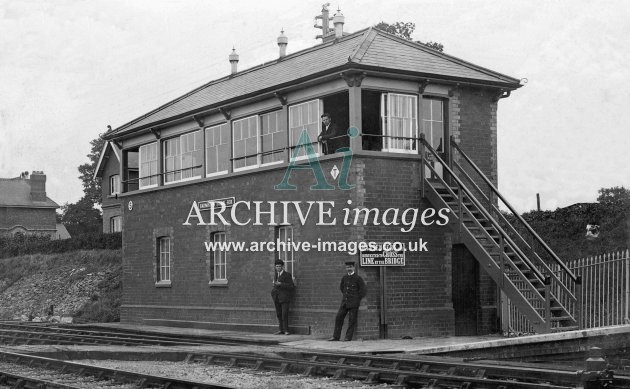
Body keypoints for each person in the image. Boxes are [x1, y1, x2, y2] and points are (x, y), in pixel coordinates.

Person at [328, 261, 367, 341]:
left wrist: (356, 299)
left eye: (350, 267)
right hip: (344, 303)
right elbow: (342, 288)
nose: (348, 269)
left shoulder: (358, 278)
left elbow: (363, 291)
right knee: (338, 317)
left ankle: (348, 337)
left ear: (353, 268)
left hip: (353, 304)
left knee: (352, 320)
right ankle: (336, 336)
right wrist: (346, 297)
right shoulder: (344, 278)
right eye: (347, 267)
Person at [271, 259, 294, 335]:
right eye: (276, 266)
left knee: (284, 314)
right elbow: (275, 285)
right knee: (279, 314)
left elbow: (291, 286)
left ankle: (286, 330)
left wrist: (281, 284)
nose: (278, 268)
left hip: (284, 298)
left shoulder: (287, 275)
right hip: (277, 297)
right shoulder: (275, 275)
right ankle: (281, 329)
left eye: (279, 266)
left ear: (283, 267)